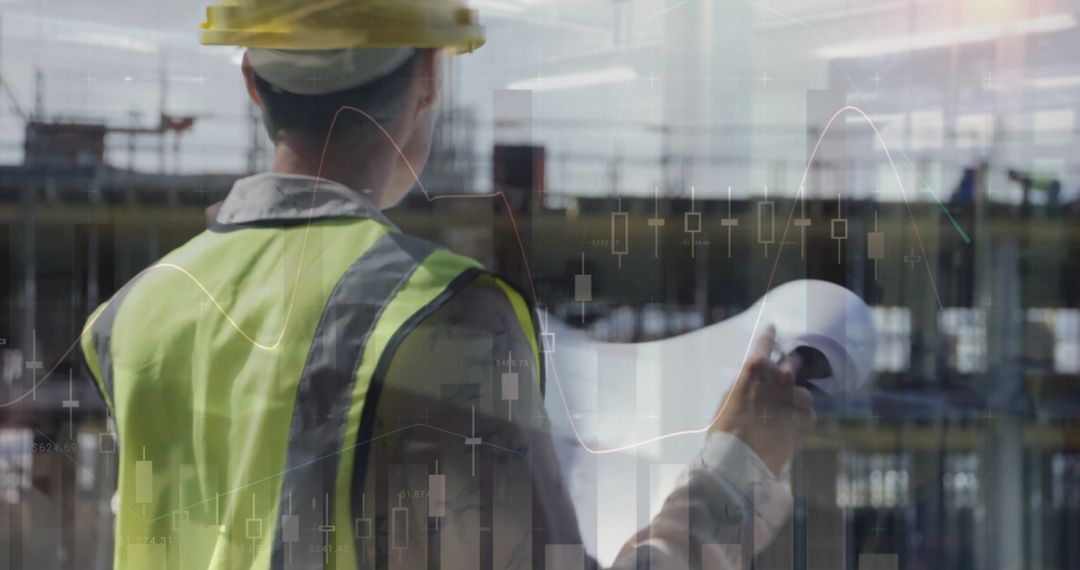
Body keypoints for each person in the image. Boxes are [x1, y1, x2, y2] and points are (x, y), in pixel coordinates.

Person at [80, 1, 814, 568]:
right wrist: (735, 470)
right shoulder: (442, 317)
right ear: (429, 75)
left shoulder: (136, 312)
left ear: (251, 80)